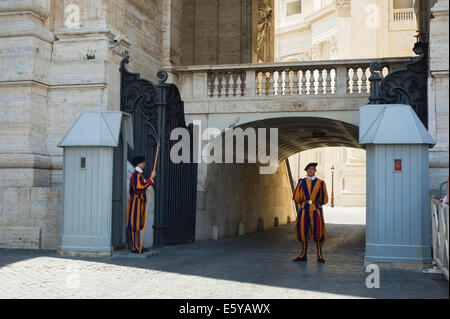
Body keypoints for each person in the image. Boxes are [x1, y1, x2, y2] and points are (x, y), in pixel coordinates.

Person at [292, 162, 329, 263]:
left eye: (312, 169)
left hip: (316, 209)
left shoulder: (321, 183)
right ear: (307, 171)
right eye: (309, 169)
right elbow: (296, 197)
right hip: (304, 209)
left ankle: (320, 256)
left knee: (318, 232)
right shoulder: (301, 182)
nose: (310, 171)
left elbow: (324, 198)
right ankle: (303, 254)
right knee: (303, 231)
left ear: (315, 171)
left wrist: (317, 203)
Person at [126, 156, 156, 254]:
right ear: (139, 164)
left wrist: (149, 181)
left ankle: (138, 245)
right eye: (143, 163)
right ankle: (135, 247)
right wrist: (150, 179)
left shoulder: (139, 175)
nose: (144, 164)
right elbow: (138, 188)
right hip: (136, 202)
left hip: (140, 202)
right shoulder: (135, 175)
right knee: (135, 225)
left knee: (138, 225)